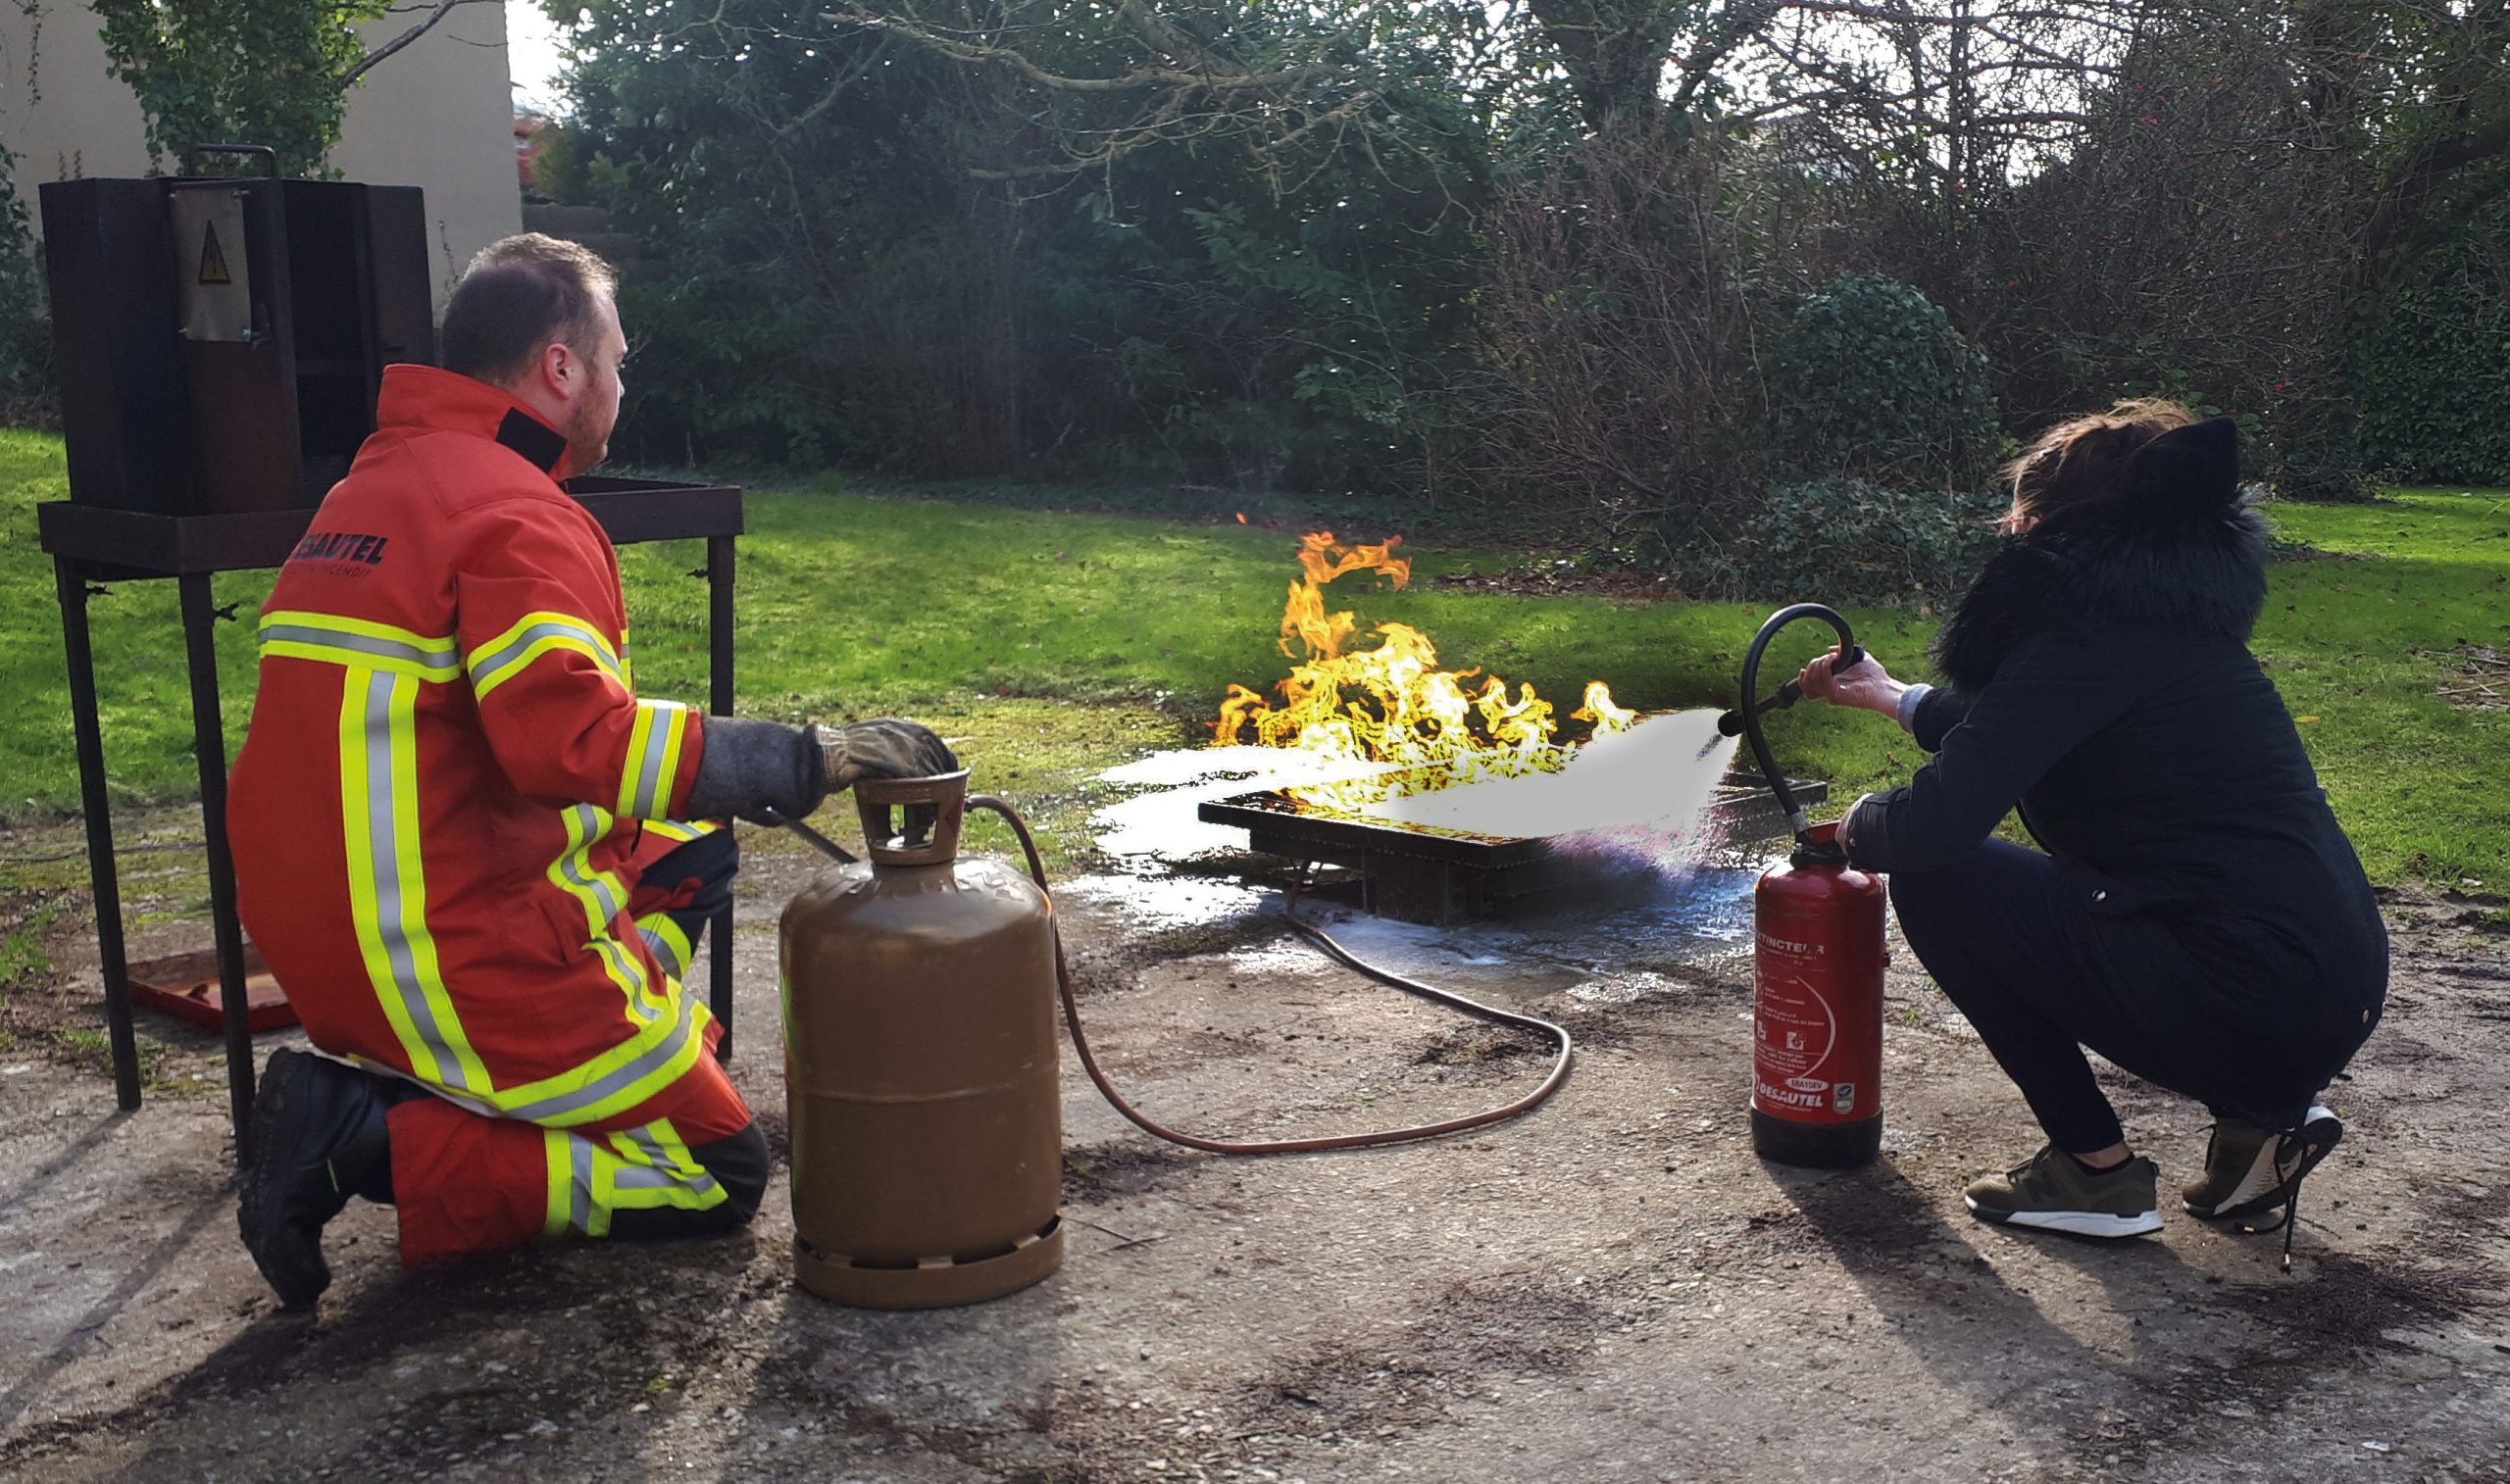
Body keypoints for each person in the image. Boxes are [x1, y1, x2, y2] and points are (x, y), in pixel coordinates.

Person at [226, 234, 959, 1307]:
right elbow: (570, 740)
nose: (621, 385)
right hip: (438, 945)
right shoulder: (515, 510)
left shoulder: (376, 486)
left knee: (693, 847)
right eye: (615, 361)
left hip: (327, 923)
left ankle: (604, 1068)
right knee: (717, 1169)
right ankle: (358, 1139)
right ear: (560, 369)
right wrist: (812, 756)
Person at [1796, 400, 2386, 1251]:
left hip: (2249, 997)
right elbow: (2037, 721)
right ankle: (2265, 1124)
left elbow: (1934, 828)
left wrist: (1860, 824)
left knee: (1939, 875)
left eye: (2020, 517)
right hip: (2329, 984)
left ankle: (2094, 1173)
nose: (2011, 529)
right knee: (2151, 907)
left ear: (2047, 524)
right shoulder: (2162, 623)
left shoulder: (2087, 631)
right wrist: (1893, 697)